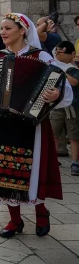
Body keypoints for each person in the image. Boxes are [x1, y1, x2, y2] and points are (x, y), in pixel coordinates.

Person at [0, 13, 72, 238]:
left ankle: (40, 211)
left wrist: (55, 93)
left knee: (30, 169)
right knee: (4, 172)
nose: (3, 32)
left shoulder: (42, 57)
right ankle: (15, 220)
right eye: (2, 28)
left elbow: (62, 85)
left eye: (7, 28)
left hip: (30, 124)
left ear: (22, 30)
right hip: (1, 121)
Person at [50, 41, 79, 176]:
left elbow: (74, 82)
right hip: (57, 106)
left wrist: (62, 71)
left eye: (62, 53)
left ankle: (75, 162)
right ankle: (53, 159)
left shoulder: (74, 68)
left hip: (73, 107)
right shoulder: (54, 65)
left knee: (74, 135)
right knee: (54, 133)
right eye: (57, 53)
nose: (59, 56)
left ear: (72, 54)